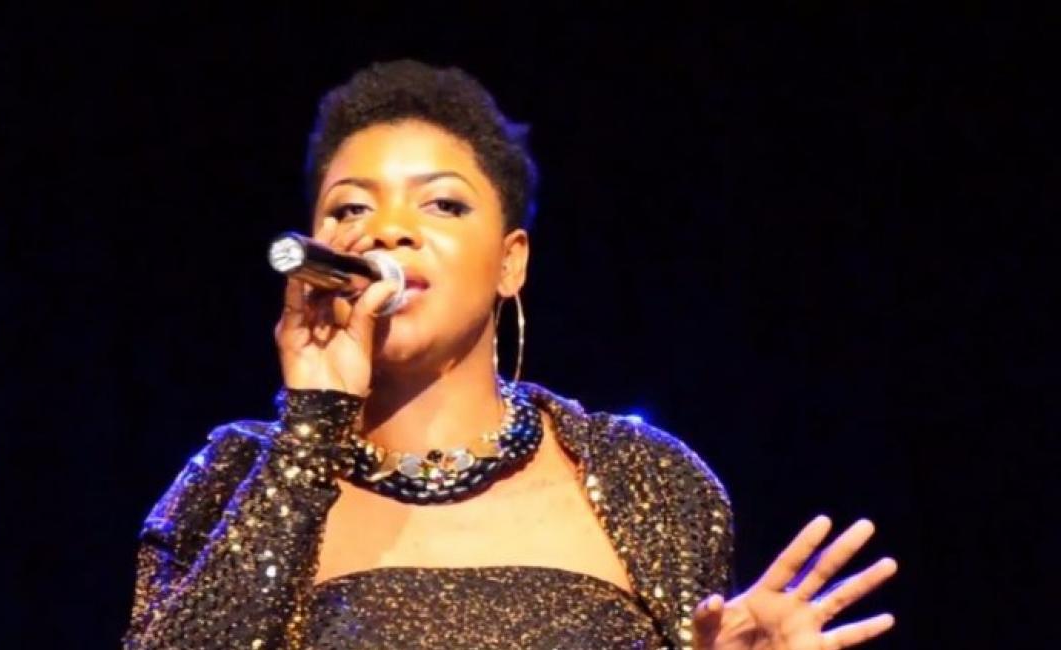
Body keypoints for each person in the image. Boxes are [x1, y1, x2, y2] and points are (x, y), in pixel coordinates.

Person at [122, 59, 897, 649]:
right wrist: (311, 425)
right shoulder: (236, 479)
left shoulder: (648, 481)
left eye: (442, 203)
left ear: (509, 261)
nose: (386, 231)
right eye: (350, 207)